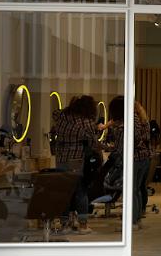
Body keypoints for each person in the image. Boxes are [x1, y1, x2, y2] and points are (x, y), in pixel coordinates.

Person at [49, 95, 99, 234]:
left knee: (64, 192)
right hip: (77, 160)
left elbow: (55, 112)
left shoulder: (62, 116)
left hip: (61, 159)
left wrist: (69, 109)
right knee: (80, 191)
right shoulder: (87, 123)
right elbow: (93, 143)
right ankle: (83, 225)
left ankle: (64, 223)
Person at [105, 96, 155, 229]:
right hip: (143, 158)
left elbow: (128, 142)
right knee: (136, 190)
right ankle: (136, 220)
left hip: (134, 159)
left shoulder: (129, 121)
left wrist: (111, 147)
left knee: (131, 191)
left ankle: (131, 222)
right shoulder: (140, 119)